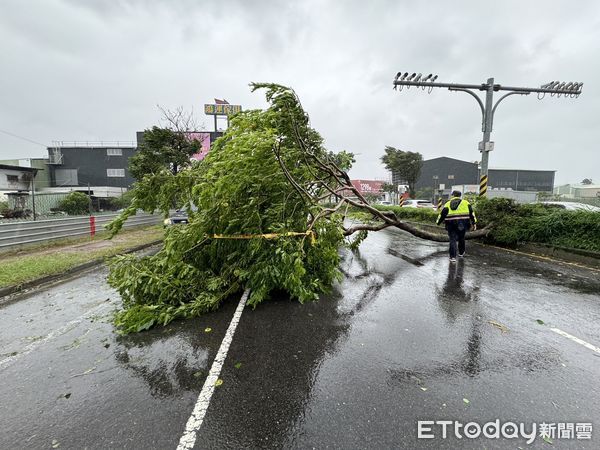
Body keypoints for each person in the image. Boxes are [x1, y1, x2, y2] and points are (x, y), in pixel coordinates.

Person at [436, 190, 477, 262]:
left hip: (451, 224)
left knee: (452, 239)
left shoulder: (447, 204)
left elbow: (442, 214)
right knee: (461, 238)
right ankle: (461, 253)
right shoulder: (466, 203)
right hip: (463, 224)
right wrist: (474, 223)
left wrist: (438, 222)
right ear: (460, 195)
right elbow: (472, 214)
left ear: (453, 195)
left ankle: (453, 257)